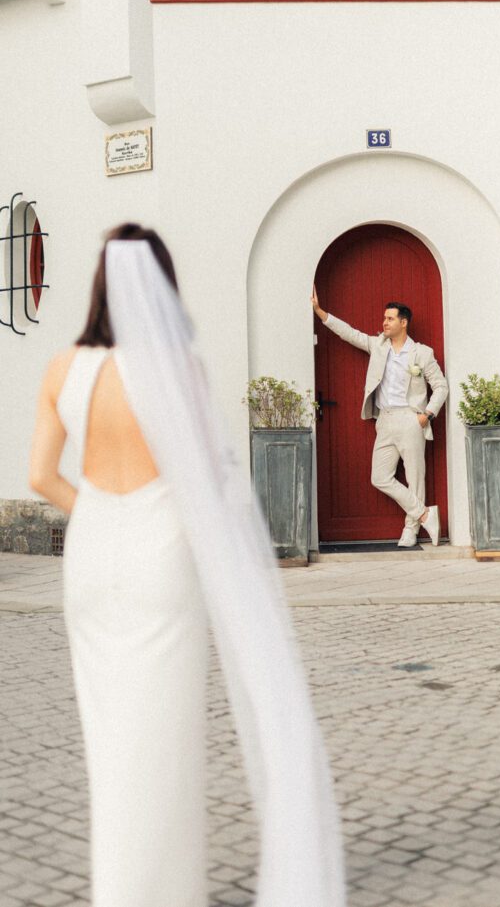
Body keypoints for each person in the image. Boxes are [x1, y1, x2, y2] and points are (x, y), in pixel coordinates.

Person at [29, 223, 345, 907]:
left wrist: (97, 511)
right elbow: (203, 475)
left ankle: (120, 887)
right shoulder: (176, 366)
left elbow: (40, 475)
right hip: (161, 555)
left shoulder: (63, 368)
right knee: (165, 735)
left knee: (109, 738)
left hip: (92, 554)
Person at [312, 286, 448, 548]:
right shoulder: (378, 346)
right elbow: (350, 334)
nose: (384, 322)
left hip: (411, 418)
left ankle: (411, 530)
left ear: (403, 322)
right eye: (384, 318)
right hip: (384, 420)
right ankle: (424, 514)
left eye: (390, 318)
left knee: (414, 476)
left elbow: (441, 386)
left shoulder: (421, 353)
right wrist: (321, 313)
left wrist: (427, 414)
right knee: (379, 476)